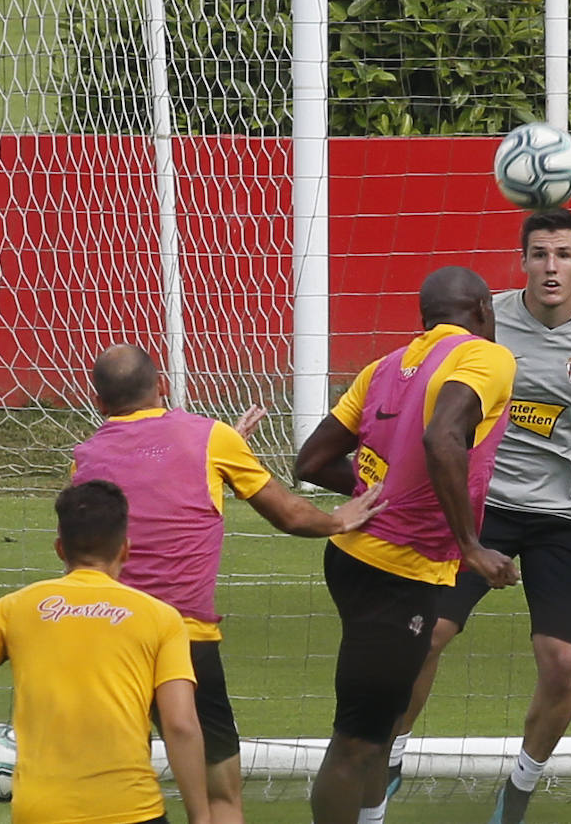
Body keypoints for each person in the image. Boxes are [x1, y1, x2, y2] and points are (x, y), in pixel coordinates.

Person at [383, 208, 571, 824]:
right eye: (540, 254)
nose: (551, 267)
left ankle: (520, 785)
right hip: (481, 507)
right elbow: (418, 384)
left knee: (564, 665)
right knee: (426, 638)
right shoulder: (486, 324)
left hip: (567, 517)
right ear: (523, 261)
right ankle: (387, 760)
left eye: (563, 255)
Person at [69, 343, 388, 824]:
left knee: (118, 799)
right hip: (185, 643)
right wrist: (338, 520)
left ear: (99, 404)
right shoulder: (211, 439)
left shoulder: (83, 460)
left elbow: (132, 504)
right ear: (163, 387)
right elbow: (289, 514)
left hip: (109, 641)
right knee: (220, 798)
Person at [293, 265, 522, 824]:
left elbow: (311, 461)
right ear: (483, 313)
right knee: (356, 741)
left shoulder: (383, 368)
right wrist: (471, 546)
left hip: (352, 560)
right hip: (400, 571)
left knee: (380, 721)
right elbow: (442, 436)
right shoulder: (488, 358)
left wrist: (380, 492)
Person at [0, 479, 212, 824]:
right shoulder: (162, 618)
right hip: (131, 811)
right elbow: (180, 724)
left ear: (60, 548)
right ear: (125, 550)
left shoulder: (14, 608)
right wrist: (201, 815)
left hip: (41, 813)